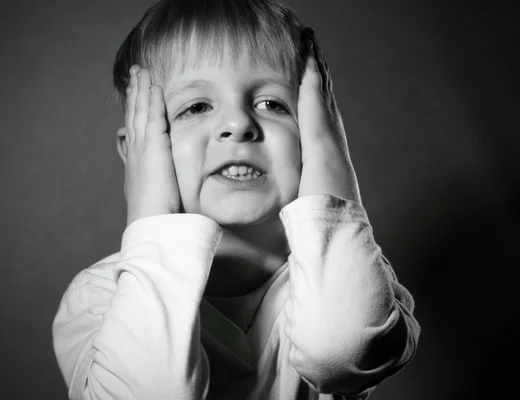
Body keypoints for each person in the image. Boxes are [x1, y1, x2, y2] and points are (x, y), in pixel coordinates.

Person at [52, 0, 421, 399]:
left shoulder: (352, 272)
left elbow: (344, 354)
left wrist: (332, 174)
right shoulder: (98, 297)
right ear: (139, 152)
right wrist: (151, 220)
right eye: (196, 107)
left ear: (318, 134)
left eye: (271, 104)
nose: (239, 124)